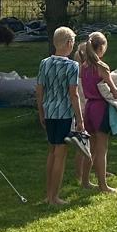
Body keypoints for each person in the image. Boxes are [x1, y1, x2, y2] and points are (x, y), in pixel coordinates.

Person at [36, 26, 82, 206]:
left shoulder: (44, 63)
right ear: (69, 43)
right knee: (60, 155)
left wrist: (41, 111)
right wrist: (80, 119)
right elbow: (74, 94)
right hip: (64, 113)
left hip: (49, 111)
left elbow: (39, 90)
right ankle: (54, 197)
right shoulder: (72, 66)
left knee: (52, 152)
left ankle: (48, 194)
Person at [76, 31, 117, 194]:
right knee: (102, 149)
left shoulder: (84, 67)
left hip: (88, 108)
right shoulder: (101, 67)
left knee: (91, 148)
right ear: (101, 48)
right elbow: (114, 91)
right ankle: (103, 185)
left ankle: (85, 181)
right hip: (100, 108)